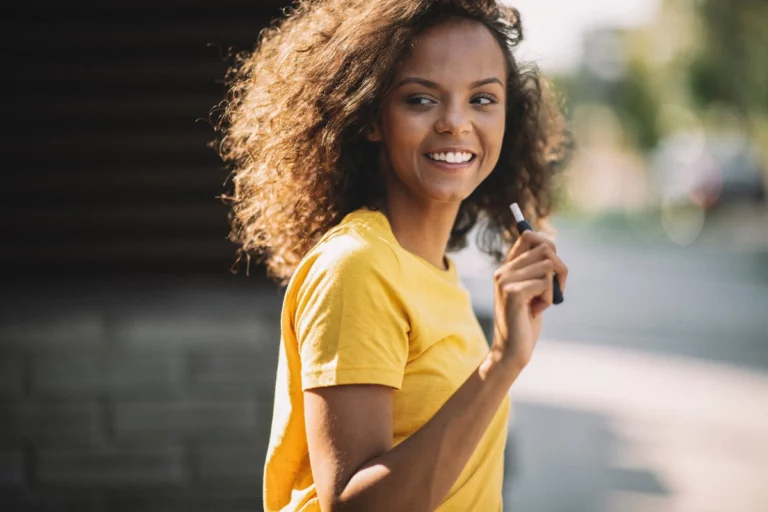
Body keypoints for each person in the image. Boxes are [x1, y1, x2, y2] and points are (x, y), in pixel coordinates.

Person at [216, 0, 569, 510]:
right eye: (422, 100)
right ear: (370, 118)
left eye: (483, 100)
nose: (456, 123)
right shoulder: (357, 267)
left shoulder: (433, 270)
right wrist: (501, 363)